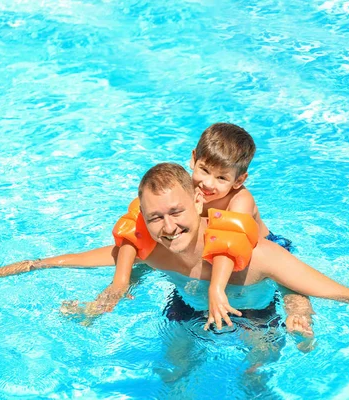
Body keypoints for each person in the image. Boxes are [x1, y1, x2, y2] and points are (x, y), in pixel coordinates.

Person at [0, 163, 349, 366]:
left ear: (199, 204)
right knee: (175, 372)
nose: (168, 226)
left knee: (258, 376)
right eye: (155, 216)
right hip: (186, 309)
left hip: (257, 316)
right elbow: (59, 261)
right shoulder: (153, 250)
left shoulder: (257, 256)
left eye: (177, 212)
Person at [112, 122, 299, 332]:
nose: (208, 184)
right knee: (146, 273)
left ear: (239, 180)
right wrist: (120, 280)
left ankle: (300, 315)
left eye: (221, 177)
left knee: (288, 289)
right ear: (193, 159)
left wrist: (216, 288)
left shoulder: (239, 200)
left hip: (257, 252)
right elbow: (135, 227)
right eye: (205, 170)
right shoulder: (182, 191)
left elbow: (229, 243)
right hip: (207, 258)